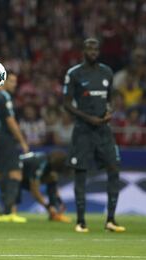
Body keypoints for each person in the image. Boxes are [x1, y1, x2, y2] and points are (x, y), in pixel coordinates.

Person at [62, 38, 125, 233]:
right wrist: (89, 118)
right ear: (83, 50)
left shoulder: (107, 72)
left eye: (96, 48)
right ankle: (81, 222)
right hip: (83, 130)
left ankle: (111, 220)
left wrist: (109, 111)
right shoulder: (74, 73)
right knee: (81, 172)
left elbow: (110, 98)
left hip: (103, 130)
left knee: (114, 169)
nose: (93, 51)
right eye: (89, 47)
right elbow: (66, 103)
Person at [0, 72, 29, 223]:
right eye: (11, 81)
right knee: (15, 174)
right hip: (6, 139)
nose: (14, 84)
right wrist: (22, 141)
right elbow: (10, 121)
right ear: (3, 81)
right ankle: (9, 212)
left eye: (16, 81)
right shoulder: (4, 97)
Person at [17, 151, 71, 223]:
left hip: (25, 175)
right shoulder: (41, 164)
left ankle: (55, 212)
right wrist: (47, 207)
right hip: (13, 171)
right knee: (16, 185)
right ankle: (10, 212)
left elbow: (54, 184)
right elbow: (34, 191)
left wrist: (60, 201)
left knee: (52, 179)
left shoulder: (48, 163)